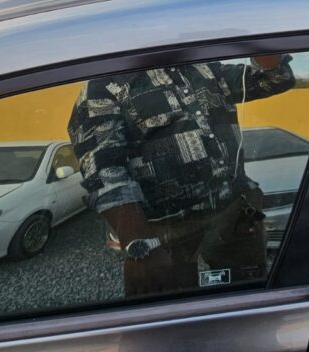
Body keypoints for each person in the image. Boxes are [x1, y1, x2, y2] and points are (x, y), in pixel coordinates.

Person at [68, 55, 295, 296]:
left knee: (245, 296)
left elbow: (274, 80)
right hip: (166, 230)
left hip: (234, 216)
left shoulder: (207, 70)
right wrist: (139, 245)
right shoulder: (104, 87)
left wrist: (263, 53)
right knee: (177, 306)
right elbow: (104, 173)